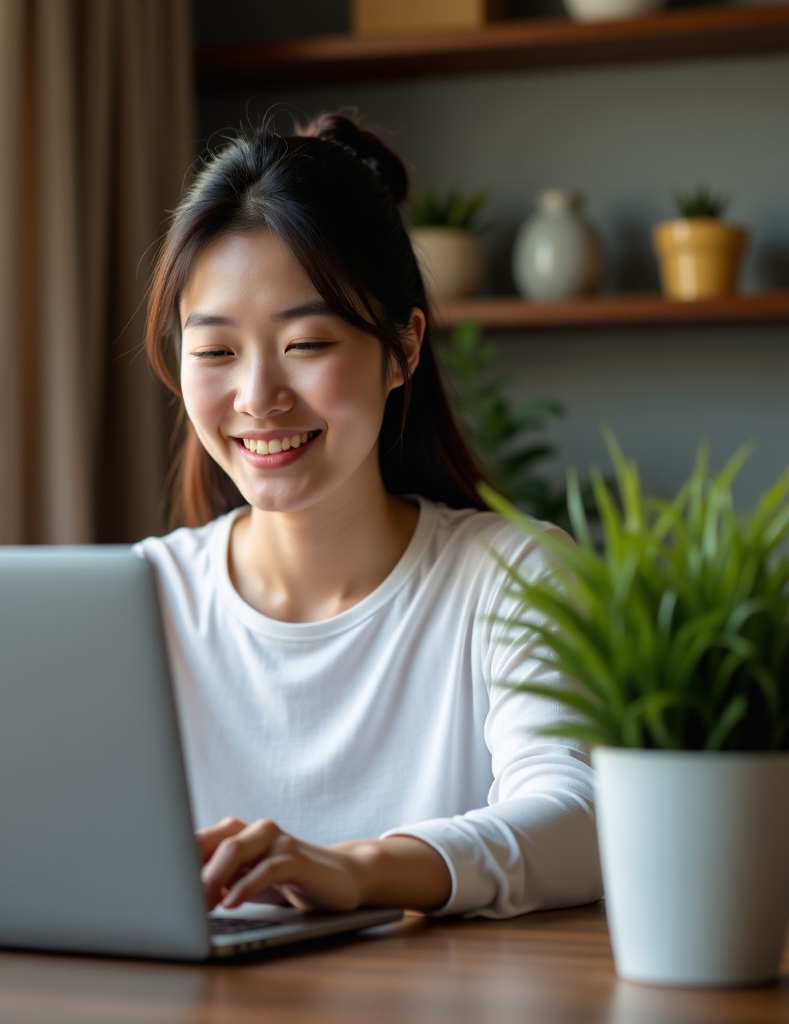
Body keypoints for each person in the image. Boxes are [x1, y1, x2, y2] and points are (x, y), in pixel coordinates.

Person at [134, 112, 602, 919]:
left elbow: (582, 815)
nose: (256, 398)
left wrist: (360, 870)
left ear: (404, 347)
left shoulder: (512, 578)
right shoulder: (140, 597)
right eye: (215, 351)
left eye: (306, 343)